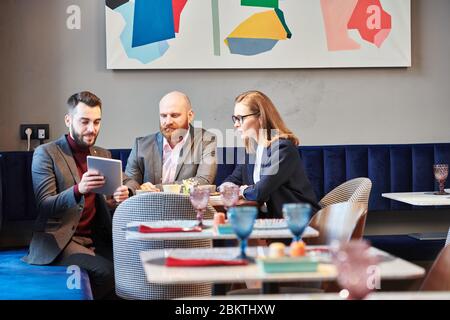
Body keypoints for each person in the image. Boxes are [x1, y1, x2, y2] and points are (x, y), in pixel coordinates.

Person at [23, 91, 129, 299]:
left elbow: (127, 182)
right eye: (85, 122)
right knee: (109, 274)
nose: (92, 129)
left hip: (97, 238)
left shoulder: (102, 154)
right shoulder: (46, 153)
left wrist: (124, 193)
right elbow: (45, 205)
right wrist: (78, 189)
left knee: (131, 270)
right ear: (68, 120)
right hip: (60, 240)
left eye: (97, 122)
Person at [221, 90, 320, 218]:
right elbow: (231, 180)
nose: (236, 124)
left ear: (261, 118)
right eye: (235, 118)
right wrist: (228, 189)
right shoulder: (253, 151)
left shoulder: (283, 149)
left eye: (241, 118)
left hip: (298, 220)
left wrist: (241, 190)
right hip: (271, 219)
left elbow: (260, 191)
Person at [125, 91, 217, 193]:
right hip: (150, 207)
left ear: (190, 116)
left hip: (187, 207)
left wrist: (156, 188)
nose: (168, 122)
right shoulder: (141, 145)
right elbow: (130, 182)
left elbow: (203, 181)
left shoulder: (206, 140)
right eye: (163, 116)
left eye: (174, 115)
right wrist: (129, 189)